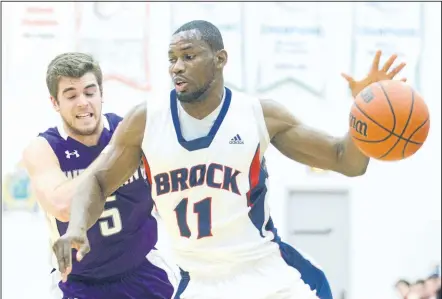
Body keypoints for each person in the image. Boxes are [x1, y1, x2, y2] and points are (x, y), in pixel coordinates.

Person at [52, 20, 407, 299]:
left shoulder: (257, 115)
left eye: (189, 57)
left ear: (219, 59)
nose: (177, 67)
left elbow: (348, 161)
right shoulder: (146, 121)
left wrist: (365, 112)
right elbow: (97, 180)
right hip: (199, 282)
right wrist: (77, 229)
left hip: (268, 276)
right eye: (172, 59)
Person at [22, 52, 177, 299]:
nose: (83, 102)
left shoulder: (128, 130)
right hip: (80, 282)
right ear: (54, 103)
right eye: (71, 95)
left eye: (90, 92)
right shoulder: (43, 148)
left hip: (144, 270)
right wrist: (113, 155)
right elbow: (62, 206)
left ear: (102, 94)